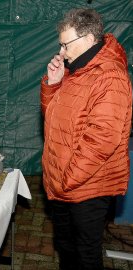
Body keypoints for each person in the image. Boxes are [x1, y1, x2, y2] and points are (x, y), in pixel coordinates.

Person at [40, 8, 132, 270]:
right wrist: (53, 84)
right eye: (60, 45)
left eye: (65, 45)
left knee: (86, 256)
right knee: (67, 249)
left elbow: (102, 140)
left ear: (90, 39)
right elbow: (55, 119)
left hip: (87, 186)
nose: (61, 52)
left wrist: (66, 180)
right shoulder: (77, 71)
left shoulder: (110, 76)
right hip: (64, 183)